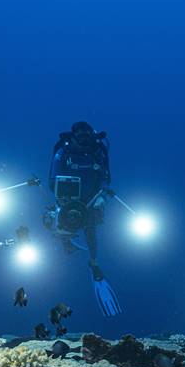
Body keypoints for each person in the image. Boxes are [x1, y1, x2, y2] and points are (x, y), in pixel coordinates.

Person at [44, 121, 122, 316]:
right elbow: (53, 179)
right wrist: (62, 197)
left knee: (90, 230)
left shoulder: (98, 151)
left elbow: (105, 178)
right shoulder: (64, 151)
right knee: (60, 227)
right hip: (68, 200)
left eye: (86, 134)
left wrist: (102, 197)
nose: (83, 138)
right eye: (79, 134)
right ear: (73, 135)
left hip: (91, 201)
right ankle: (65, 247)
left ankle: (94, 265)